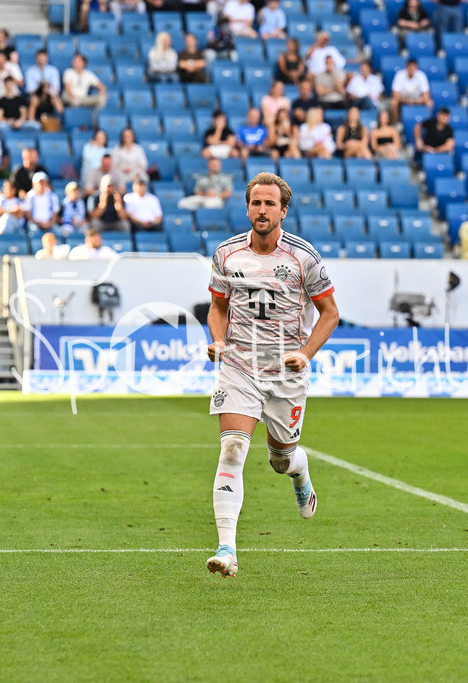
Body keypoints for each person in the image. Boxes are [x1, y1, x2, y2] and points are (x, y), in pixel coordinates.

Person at [204, 171, 339, 577]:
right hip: (239, 366)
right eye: (256, 203)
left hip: (285, 373)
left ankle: (300, 473)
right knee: (232, 449)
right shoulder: (226, 254)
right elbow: (218, 307)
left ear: (283, 210)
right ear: (247, 208)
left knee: (280, 459)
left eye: (270, 204)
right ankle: (226, 549)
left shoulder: (303, 257)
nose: (262, 210)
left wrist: (305, 353)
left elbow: (330, 313)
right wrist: (218, 341)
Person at [390, 59, 431, 124]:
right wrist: (407, 100)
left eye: (413, 68)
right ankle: (396, 124)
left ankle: (427, 123)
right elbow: (395, 94)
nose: (411, 70)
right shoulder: (399, 75)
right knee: (393, 102)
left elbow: (426, 95)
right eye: (410, 67)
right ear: (406, 67)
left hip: (417, 100)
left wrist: (416, 101)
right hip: (403, 100)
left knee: (429, 103)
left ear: (416, 68)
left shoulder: (422, 75)